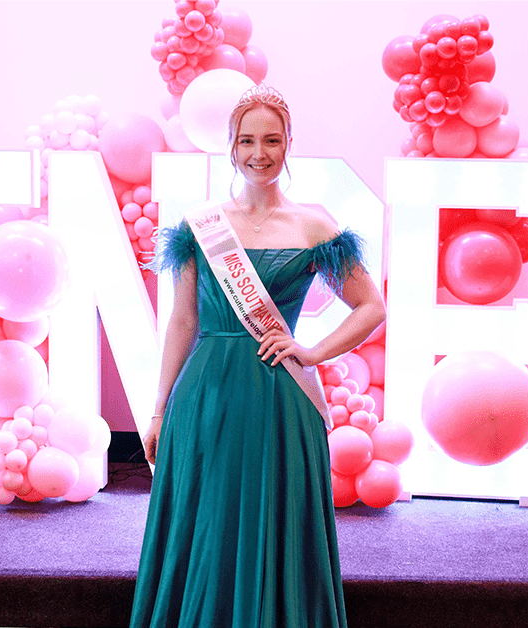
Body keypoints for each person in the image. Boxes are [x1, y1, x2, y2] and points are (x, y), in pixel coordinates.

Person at [129, 85, 386, 627]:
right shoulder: (201, 224)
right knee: (210, 523)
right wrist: (158, 411)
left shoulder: (315, 225)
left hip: (279, 396)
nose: (259, 152)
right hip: (205, 396)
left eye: (271, 139)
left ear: (289, 142)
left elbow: (371, 307)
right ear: (230, 145)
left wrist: (312, 351)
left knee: (275, 521)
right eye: (247, 140)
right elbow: (182, 321)